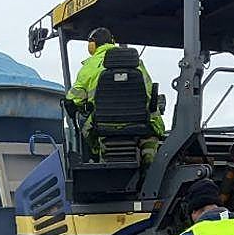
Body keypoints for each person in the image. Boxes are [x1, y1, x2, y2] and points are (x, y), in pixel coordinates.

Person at [65, 27, 165, 165]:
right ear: (112, 42)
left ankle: (97, 153)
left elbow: (73, 99)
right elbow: (149, 93)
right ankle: (149, 163)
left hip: (103, 126)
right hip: (140, 123)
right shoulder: (138, 65)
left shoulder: (88, 68)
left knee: (84, 123)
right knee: (151, 140)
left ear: (92, 46)